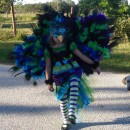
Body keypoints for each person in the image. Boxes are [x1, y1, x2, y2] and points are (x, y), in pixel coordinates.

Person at [44, 32, 100, 130]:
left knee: (74, 81)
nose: (58, 37)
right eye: (55, 34)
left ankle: (71, 112)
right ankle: (65, 121)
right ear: (51, 35)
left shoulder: (69, 43)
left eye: (60, 34)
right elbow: (48, 67)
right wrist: (48, 82)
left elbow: (81, 56)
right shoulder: (48, 48)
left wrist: (94, 65)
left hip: (72, 69)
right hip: (59, 74)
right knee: (63, 99)